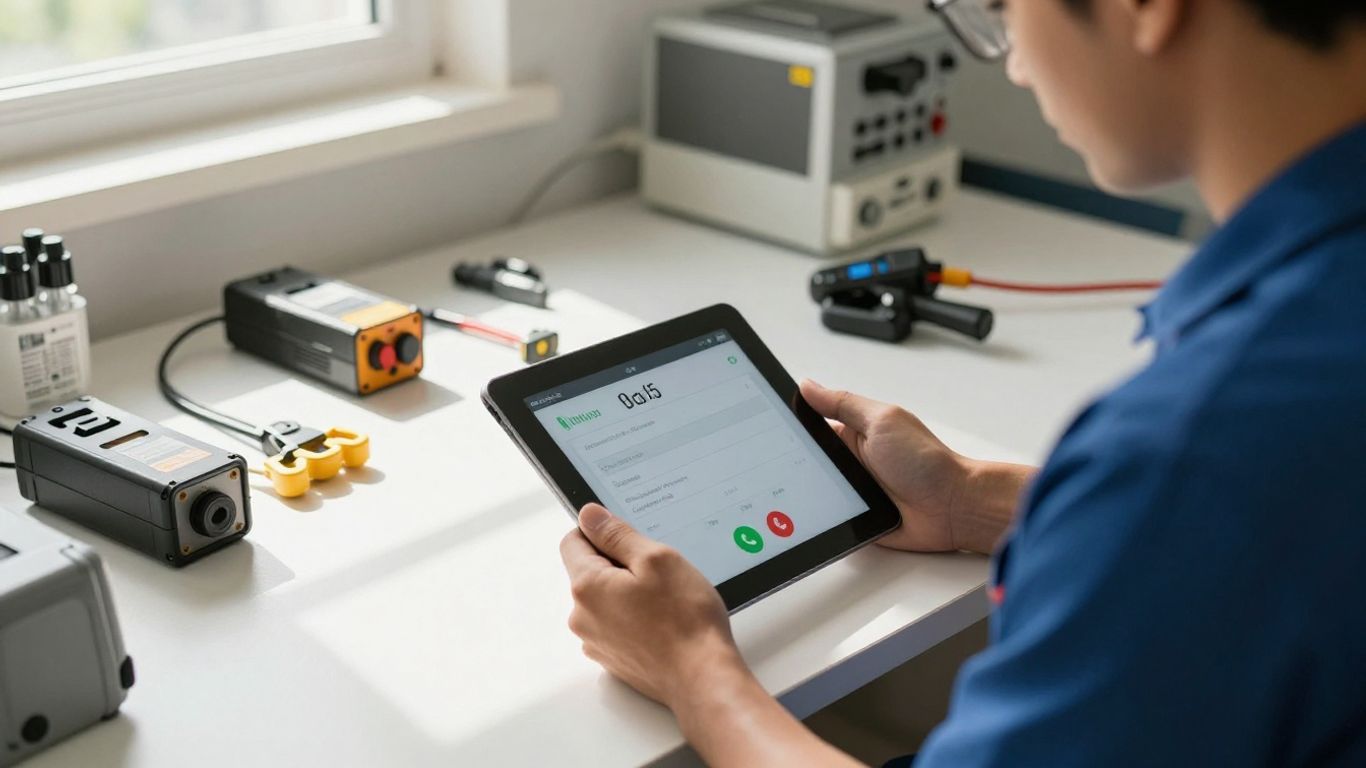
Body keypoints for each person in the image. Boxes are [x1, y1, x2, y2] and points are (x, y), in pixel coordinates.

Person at [559, 0, 1366, 764]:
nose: (1013, 64)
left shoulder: (1194, 447)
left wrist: (692, 667)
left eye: (1004, 10)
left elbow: (1204, 500)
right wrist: (970, 498)